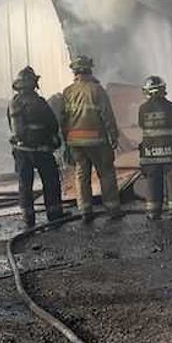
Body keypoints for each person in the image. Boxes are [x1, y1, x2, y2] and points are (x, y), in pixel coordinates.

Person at [61, 55, 122, 222]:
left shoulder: (67, 92)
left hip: (75, 142)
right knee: (106, 173)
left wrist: (65, 142)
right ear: (89, 69)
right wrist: (114, 136)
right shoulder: (97, 90)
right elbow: (107, 116)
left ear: (74, 71)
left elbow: (63, 118)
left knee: (81, 174)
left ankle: (85, 210)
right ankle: (112, 208)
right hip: (97, 141)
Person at [7, 66, 64, 229]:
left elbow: (12, 127)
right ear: (33, 84)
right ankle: (54, 215)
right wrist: (52, 140)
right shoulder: (39, 102)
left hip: (22, 151)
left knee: (25, 183)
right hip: (41, 150)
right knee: (51, 181)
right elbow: (52, 124)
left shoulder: (13, 103)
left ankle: (28, 218)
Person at [137, 75, 172, 220]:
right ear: (163, 90)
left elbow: (142, 125)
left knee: (153, 181)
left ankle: (153, 212)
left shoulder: (142, 109)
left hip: (150, 154)